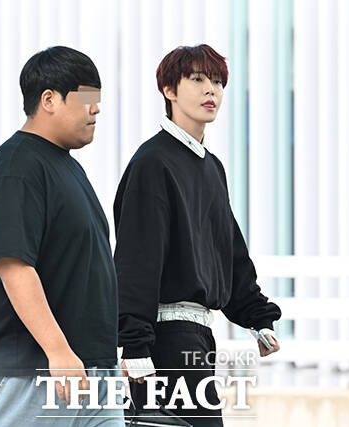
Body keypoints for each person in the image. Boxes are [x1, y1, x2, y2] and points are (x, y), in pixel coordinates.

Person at [114, 44, 282, 426]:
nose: (211, 90)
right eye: (198, 79)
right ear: (169, 90)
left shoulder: (211, 167)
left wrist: (257, 317)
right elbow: (137, 258)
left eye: (218, 82)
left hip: (199, 337)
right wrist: (135, 345)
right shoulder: (152, 162)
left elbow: (228, 251)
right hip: (163, 339)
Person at [0, 46, 123, 426]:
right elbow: (13, 265)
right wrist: (58, 350)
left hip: (91, 371)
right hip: (34, 371)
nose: (96, 109)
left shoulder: (69, 168)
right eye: (87, 99)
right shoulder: (17, 166)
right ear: (49, 100)